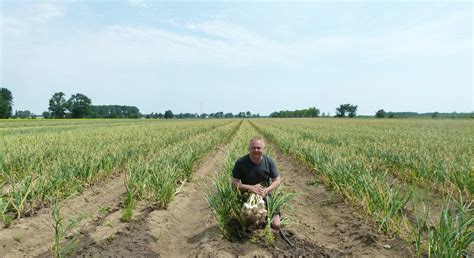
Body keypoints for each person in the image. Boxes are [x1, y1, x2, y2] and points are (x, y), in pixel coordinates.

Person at [232, 137, 281, 228]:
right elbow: (234, 183)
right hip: (247, 195)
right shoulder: (240, 162)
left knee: (276, 224)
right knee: (248, 223)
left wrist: (266, 190)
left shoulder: (269, 161)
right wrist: (251, 188)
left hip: (265, 194)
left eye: (259, 148)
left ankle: (274, 214)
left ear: (263, 149)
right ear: (248, 148)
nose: (256, 150)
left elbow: (277, 180)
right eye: (253, 147)